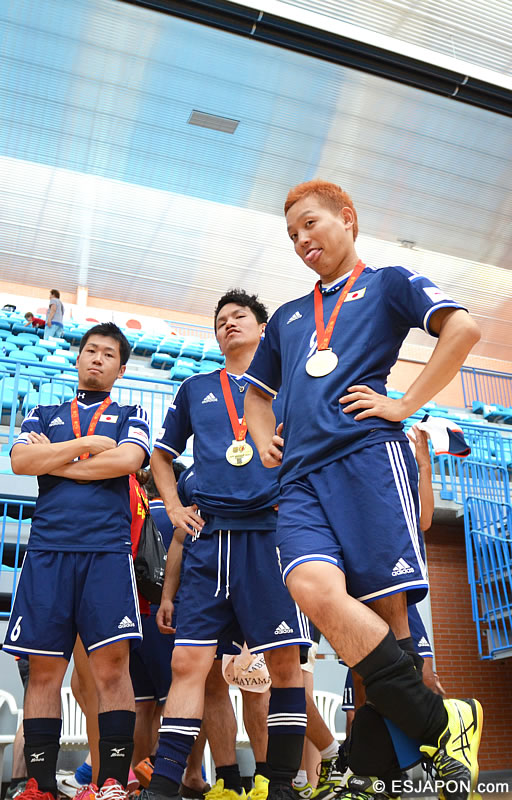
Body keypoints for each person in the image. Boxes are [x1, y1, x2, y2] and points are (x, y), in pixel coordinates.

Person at [244, 179, 483, 800]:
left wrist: (403, 404)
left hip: (367, 461)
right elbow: (256, 395)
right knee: (310, 587)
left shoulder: (389, 282)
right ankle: (441, 726)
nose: (301, 239)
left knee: (388, 618)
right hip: (299, 478)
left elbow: (462, 330)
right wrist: (264, 438)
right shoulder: (289, 315)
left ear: (347, 218)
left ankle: (384, 773)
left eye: (310, 224)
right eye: (291, 234)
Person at [142, 290, 312, 800]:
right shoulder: (195, 387)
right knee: (186, 665)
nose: (229, 324)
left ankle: (280, 784)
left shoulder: (291, 384)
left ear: (263, 329)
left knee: (284, 667)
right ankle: (164, 786)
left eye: (240, 316)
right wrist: (174, 507)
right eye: (220, 320)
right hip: (210, 541)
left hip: (270, 538)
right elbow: (161, 456)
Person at [3, 322, 151, 800]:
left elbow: (127, 462)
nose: (97, 358)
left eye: (108, 354)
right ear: (78, 357)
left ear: (121, 369)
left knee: (112, 671)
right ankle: (40, 785)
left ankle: (112, 782)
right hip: (48, 551)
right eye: (91, 350)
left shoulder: (131, 413)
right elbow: (21, 463)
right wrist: (86, 447)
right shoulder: (43, 413)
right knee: (45, 671)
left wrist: (55, 461)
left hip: (107, 552)